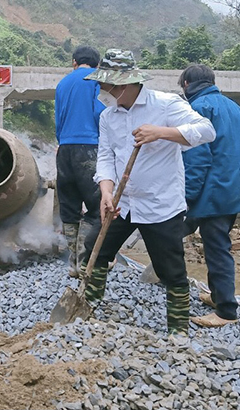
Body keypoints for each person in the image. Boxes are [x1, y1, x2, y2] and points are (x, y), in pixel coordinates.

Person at [81, 49, 215, 336]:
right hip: (122, 202)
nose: (101, 91)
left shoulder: (165, 105)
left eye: (105, 86)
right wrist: (106, 190)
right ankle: (86, 307)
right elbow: (105, 157)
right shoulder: (108, 116)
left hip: (161, 204)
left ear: (125, 84)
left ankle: (177, 333)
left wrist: (161, 132)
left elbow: (206, 131)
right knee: (95, 247)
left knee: (172, 270)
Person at [177, 64, 240, 328]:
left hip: (211, 192)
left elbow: (197, 159)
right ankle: (218, 296)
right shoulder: (234, 108)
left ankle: (226, 311)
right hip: (231, 190)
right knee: (218, 243)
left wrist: (186, 197)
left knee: (215, 248)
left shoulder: (198, 110)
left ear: (188, 84)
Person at [54, 46, 105, 278]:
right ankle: (85, 262)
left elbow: (59, 118)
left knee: (70, 207)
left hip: (64, 149)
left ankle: (72, 264)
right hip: (89, 148)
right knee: (96, 207)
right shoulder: (97, 80)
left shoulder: (63, 83)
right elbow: (101, 113)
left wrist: (63, 141)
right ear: (97, 64)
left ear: (74, 62)